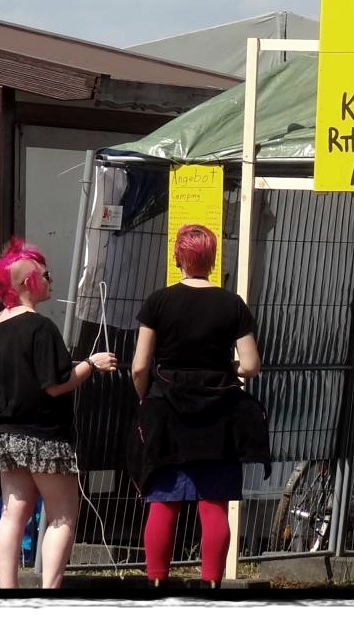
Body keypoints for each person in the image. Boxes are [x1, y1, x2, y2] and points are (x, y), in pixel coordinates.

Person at [129, 224, 270, 588]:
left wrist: (145, 397)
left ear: (178, 258)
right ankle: (211, 584)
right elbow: (251, 365)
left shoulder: (158, 302)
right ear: (212, 259)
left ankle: (157, 582)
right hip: (219, 415)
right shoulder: (232, 304)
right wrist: (226, 369)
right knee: (214, 503)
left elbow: (140, 366)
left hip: (167, 412)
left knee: (163, 502)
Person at [0, 237, 119, 589]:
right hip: (43, 437)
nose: (51, 280)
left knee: (13, 513)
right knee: (62, 515)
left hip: (1, 435)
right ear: (28, 282)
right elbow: (57, 384)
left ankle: (8, 591)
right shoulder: (40, 327)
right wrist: (92, 364)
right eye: (46, 275)